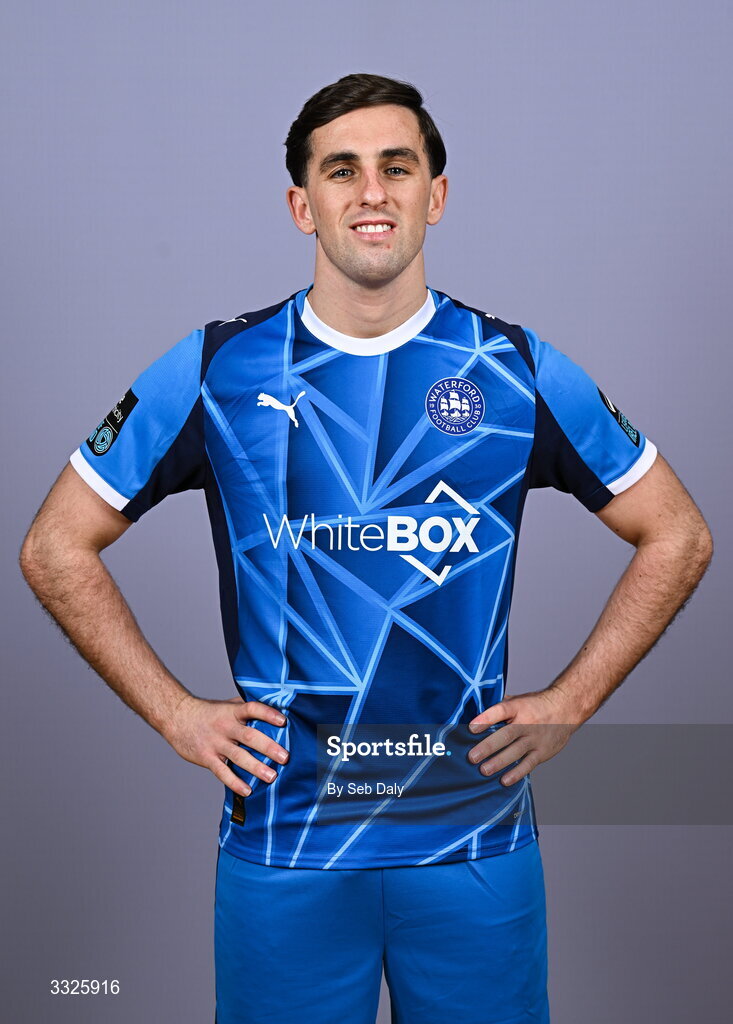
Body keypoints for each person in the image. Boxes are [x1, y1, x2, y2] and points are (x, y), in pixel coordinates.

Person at [19, 72, 712, 1024]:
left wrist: (571, 703)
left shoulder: (509, 368)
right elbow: (55, 547)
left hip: (472, 849)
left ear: (437, 193)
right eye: (341, 171)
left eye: (397, 165)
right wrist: (177, 715)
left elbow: (676, 533)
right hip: (287, 849)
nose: (372, 191)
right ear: (303, 205)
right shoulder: (218, 369)